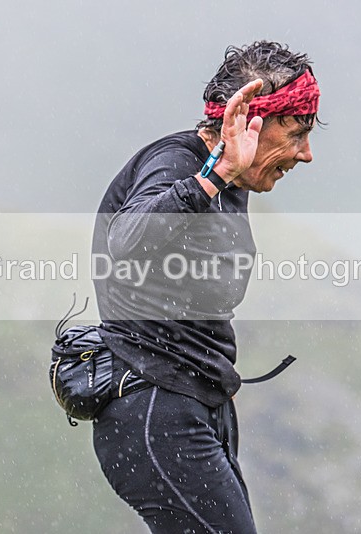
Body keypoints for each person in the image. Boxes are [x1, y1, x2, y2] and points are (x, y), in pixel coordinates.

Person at [90, 40, 319, 533]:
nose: (306, 153)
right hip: (153, 406)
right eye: (297, 133)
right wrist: (214, 174)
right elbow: (126, 240)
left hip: (193, 404)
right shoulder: (181, 164)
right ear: (251, 122)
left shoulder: (231, 178)